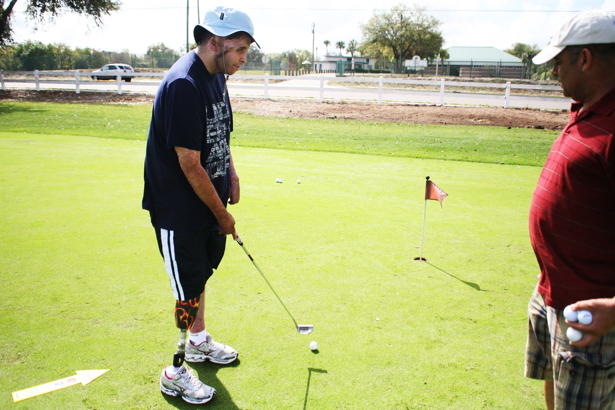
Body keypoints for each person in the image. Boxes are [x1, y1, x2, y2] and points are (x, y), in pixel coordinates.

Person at [142, 6, 258, 405]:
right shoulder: (184, 85)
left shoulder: (217, 77)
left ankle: (198, 342)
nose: (244, 57)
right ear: (215, 43)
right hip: (179, 209)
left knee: (200, 275)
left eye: (246, 50)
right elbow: (189, 162)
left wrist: (233, 174)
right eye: (240, 49)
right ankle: (174, 371)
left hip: (208, 204)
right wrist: (222, 213)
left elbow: (220, 136)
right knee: (186, 288)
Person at [525, 8, 615, 410]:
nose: (553, 71)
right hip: (553, 289)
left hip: (594, 313)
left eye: (559, 61)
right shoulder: (588, 109)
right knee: (553, 385)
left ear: (585, 58)